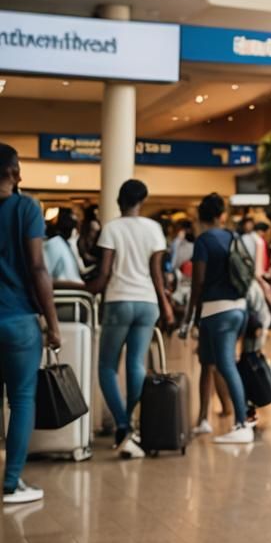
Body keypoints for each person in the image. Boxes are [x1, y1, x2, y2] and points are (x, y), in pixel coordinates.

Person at [92, 179, 174, 458]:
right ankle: (135, 427)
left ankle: (123, 424)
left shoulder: (112, 229)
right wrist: (165, 305)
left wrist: (82, 287)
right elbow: (157, 273)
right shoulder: (154, 229)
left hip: (119, 300)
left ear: (119, 200)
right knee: (136, 363)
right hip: (148, 301)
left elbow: (103, 275)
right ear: (143, 200)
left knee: (106, 368)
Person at [0, 144, 61, 504]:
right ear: (12, 171)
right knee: (22, 399)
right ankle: (11, 484)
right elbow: (38, 267)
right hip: (19, 319)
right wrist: (52, 322)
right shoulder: (26, 208)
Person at [183, 193, 253, 444]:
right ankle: (203, 419)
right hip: (238, 309)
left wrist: (189, 316)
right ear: (221, 216)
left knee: (224, 364)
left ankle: (242, 423)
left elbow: (198, 282)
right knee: (207, 361)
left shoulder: (203, 240)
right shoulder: (233, 236)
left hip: (216, 312)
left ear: (201, 217)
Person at [44, 208, 86, 289]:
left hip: (72, 291)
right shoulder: (56, 244)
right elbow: (44, 276)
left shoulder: (62, 244)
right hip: (68, 292)